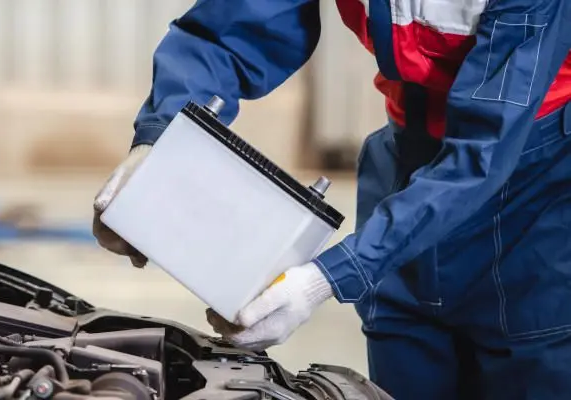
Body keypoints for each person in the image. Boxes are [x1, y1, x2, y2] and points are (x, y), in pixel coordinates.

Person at [91, 0, 571, 399]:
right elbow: (231, 29)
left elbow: (483, 153)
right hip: (405, 163)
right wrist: (159, 144)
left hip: (534, 200)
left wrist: (326, 278)